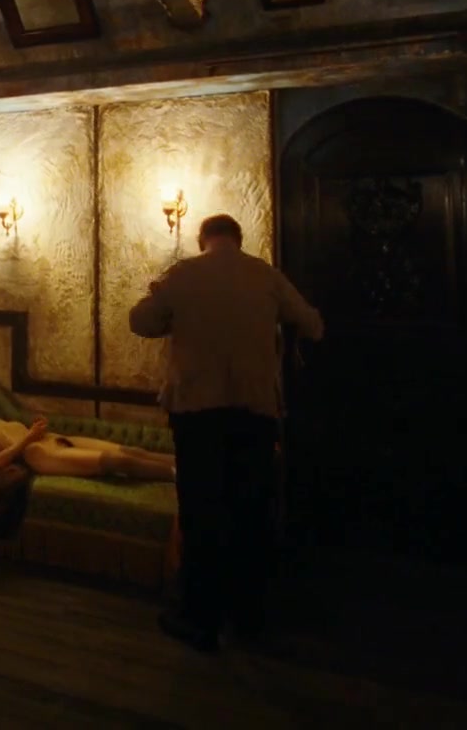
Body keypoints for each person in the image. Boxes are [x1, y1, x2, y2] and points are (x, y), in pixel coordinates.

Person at [128, 213, 324, 653]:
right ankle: (248, 616)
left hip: (197, 414)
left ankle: (199, 618)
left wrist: (164, 302)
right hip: (254, 414)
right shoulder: (265, 274)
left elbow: (140, 321)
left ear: (203, 239)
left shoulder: (183, 274)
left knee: (201, 514)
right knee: (251, 513)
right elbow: (313, 324)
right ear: (238, 238)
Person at [0, 386, 176, 481]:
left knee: (131, 450)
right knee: (119, 462)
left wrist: (35, 428)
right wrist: (28, 437)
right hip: (38, 454)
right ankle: (184, 478)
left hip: (49, 438)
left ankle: (187, 464)